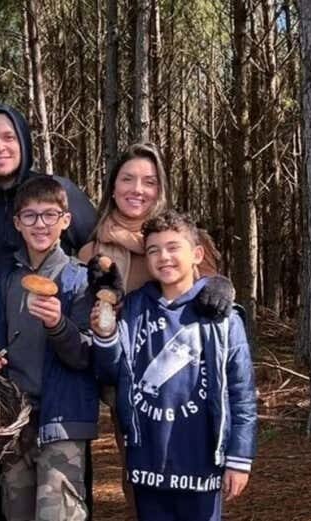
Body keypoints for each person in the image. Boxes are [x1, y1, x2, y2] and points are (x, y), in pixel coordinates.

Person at [78, 142, 233, 519]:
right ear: (112, 187)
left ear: (159, 189)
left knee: (192, 482)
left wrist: (223, 287)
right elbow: (86, 324)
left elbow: (212, 293)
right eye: (127, 179)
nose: (137, 189)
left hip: (188, 384)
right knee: (142, 487)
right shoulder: (92, 250)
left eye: (148, 181)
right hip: (129, 388)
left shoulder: (179, 236)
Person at [0, 103, 97, 520]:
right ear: (17, 222)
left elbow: (85, 352)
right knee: (9, 507)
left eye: (49, 216)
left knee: (59, 510)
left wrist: (60, 322)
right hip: (9, 409)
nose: (39, 224)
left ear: (64, 220)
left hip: (63, 415)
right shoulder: (3, 276)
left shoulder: (77, 278)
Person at [90, 210, 257, 521]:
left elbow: (241, 392)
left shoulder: (222, 317)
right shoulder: (136, 307)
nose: (163, 257)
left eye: (172, 248)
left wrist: (239, 458)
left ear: (196, 254)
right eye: (153, 250)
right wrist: (105, 334)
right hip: (148, 461)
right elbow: (111, 370)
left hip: (202, 462)